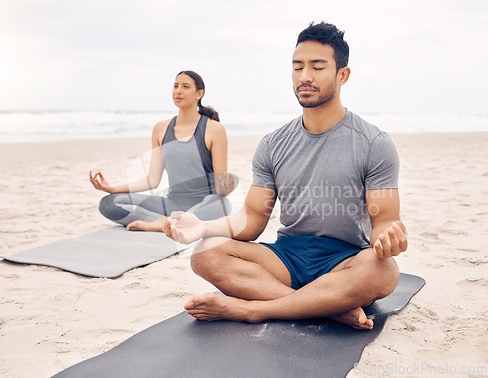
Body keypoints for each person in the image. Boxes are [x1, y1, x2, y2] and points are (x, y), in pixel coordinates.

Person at [163, 22, 407, 330]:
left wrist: (386, 239)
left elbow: (384, 220)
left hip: (344, 261)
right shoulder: (273, 143)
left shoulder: (374, 143)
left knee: (384, 272)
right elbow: (251, 219)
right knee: (205, 253)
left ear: (342, 75)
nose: (304, 77)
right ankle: (327, 308)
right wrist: (202, 227)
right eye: (297, 67)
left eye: (318, 67)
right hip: (286, 259)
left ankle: (254, 311)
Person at [90, 70, 237, 232]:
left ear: (199, 94)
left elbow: (220, 185)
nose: (178, 91)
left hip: (204, 204)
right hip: (171, 204)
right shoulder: (161, 129)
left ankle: (165, 224)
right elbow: (152, 180)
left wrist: (226, 187)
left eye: (185, 86)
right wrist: (112, 189)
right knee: (109, 203)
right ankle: (168, 223)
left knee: (222, 204)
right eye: (175, 86)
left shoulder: (214, 129)